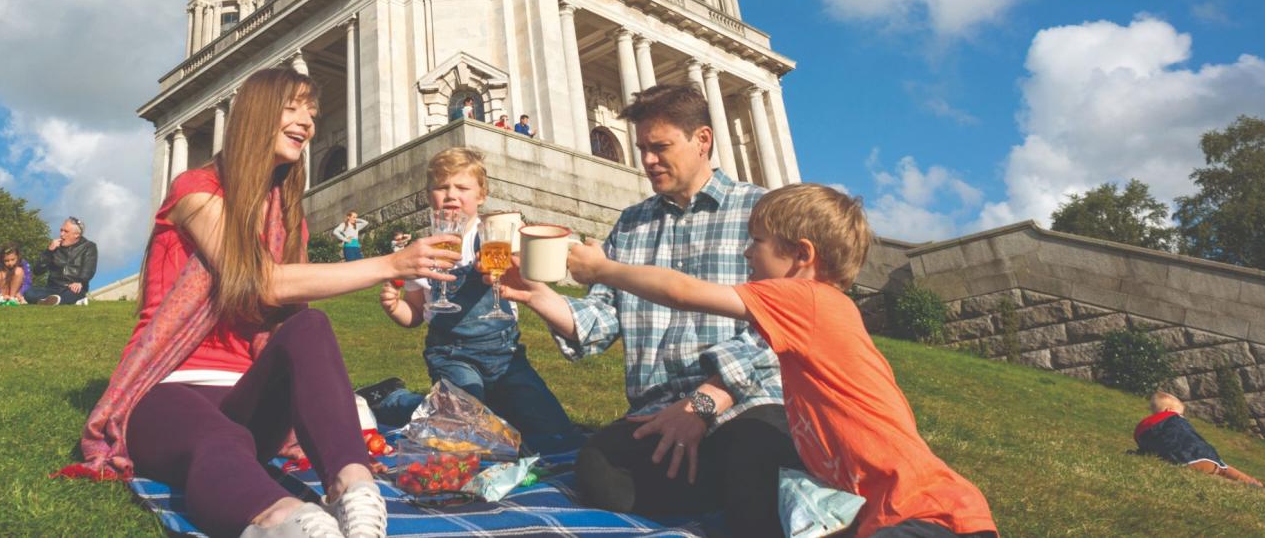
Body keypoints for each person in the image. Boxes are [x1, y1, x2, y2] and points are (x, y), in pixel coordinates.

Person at [54, 68, 460, 538]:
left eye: (312, 112)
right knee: (220, 440)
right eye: (293, 108)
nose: (307, 122)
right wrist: (392, 263)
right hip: (166, 390)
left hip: (249, 396)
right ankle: (287, 521)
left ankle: (355, 487)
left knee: (310, 328)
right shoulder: (195, 190)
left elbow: (290, 301)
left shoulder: (288, 219)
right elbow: (259, 283)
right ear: (255, 115)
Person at [565, 183, 999, 537]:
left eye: (757, 242)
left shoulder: (804, 299)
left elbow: (681, 291)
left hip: (926, 514)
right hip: (890, 515)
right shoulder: (823, 312)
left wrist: (604, 270)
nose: (746, 253)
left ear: (803, 256)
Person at [491, 84, 793, 536]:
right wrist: (539, 296)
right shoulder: (631, 224)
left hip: (744, 401)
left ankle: (749, 493)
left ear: (702, 140)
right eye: (642, 149)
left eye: (660, 147)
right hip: (659, 414)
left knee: (755, 451)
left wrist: (702, 404)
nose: (648, 160)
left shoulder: (762, 212)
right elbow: (600, 321)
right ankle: (725, 492)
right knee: (596, 467)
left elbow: (782, 325)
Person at [366, 147, 584, 454]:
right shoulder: (423, 250)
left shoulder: (497, 235)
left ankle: (461, 404)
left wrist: (515, 262)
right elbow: (415, 313)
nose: (451, 195)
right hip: (452, 355)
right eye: (442, 188)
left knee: (557, 437)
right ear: (430, 196)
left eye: (462, 187)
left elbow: (533, 267)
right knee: (467, 436)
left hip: (506, 355)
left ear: (481, 195)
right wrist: (394, 307)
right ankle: (395, 400)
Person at [1136, 392, 1265, 490]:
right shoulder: (1174, 420)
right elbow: (1193, 441)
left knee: (1217, 474)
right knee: (1223, 469)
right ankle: (1258, 487)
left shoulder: (1146, 430)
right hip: (1198, 456)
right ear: (1169, 410)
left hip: (1175, 461)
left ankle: (1254, 487)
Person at [25, 217, 98, 306]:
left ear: (76, 234)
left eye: (66, 231)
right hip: (52, 288)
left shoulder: (88, 247)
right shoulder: (54, 247)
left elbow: (89, 269)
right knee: (29, 293)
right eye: (61, 230)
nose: (61, 234)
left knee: (72, 294)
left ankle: (55, 300)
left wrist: (80, 281)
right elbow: (37, 271)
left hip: (73, 288)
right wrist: (49, 251)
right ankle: (57, 300)